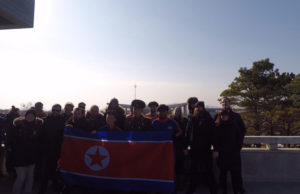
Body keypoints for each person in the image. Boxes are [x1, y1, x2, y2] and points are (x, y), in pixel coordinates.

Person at [6, 109, 43, 194]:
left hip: (32, 156)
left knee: (30, 177)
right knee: (21, 177)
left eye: (32, 115)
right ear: (25, 116)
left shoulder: (38, 126)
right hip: (18, 156)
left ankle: (27, 192)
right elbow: (9, 139)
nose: (30, 117)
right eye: (28, 115)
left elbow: (40, 140)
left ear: (35, 117)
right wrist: (10, 149)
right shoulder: (17, 125)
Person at [215, 97, 246, 194]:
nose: (224, 103)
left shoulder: (236, 116)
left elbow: (243, 130)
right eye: (223, 102)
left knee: (236, 172)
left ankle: (237, 189)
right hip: (222, 150)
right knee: (223, 172)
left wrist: (238, 145)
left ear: (230, 103)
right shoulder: (217, 116)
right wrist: (216, 149)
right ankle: (223, 189)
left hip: (234, 150)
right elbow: (214, 133)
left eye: (226, 101)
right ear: (221, 104)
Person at [185, 101, 217, 194]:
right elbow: (187, 133)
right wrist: (185, 147)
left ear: (203, 107)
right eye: (197, 107)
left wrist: (215, 149)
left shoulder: (209, 119)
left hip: (205, 148)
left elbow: (213, 135)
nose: (198, 109)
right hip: (194, 148)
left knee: (209, 170)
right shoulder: (192, 119)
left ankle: (213, 189)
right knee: (193, 170)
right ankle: (191, 189)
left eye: (200, 107)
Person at [38, 104, 65, 194]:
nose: (55, 112)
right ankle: (43, 189)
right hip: (46, 149)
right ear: (51, 110)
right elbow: (40, 135)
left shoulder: (63, 121)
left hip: (57, 149)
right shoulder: (45, 120)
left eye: (57, 110)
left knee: (55, 170)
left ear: (60, 111)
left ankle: (55, 186)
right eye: (54, 110)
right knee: (44, 171)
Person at [171, 107, 188, 191]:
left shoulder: (184, 120)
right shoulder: (170, 121)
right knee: (173, 166)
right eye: (176, 111)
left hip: (181, 146)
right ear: (174, 112)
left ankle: (181, 184)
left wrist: (185, 147)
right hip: (172, 146)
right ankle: (174, 184)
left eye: (179, 111)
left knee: (181, 166)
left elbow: (186, 134)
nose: (178, 112)